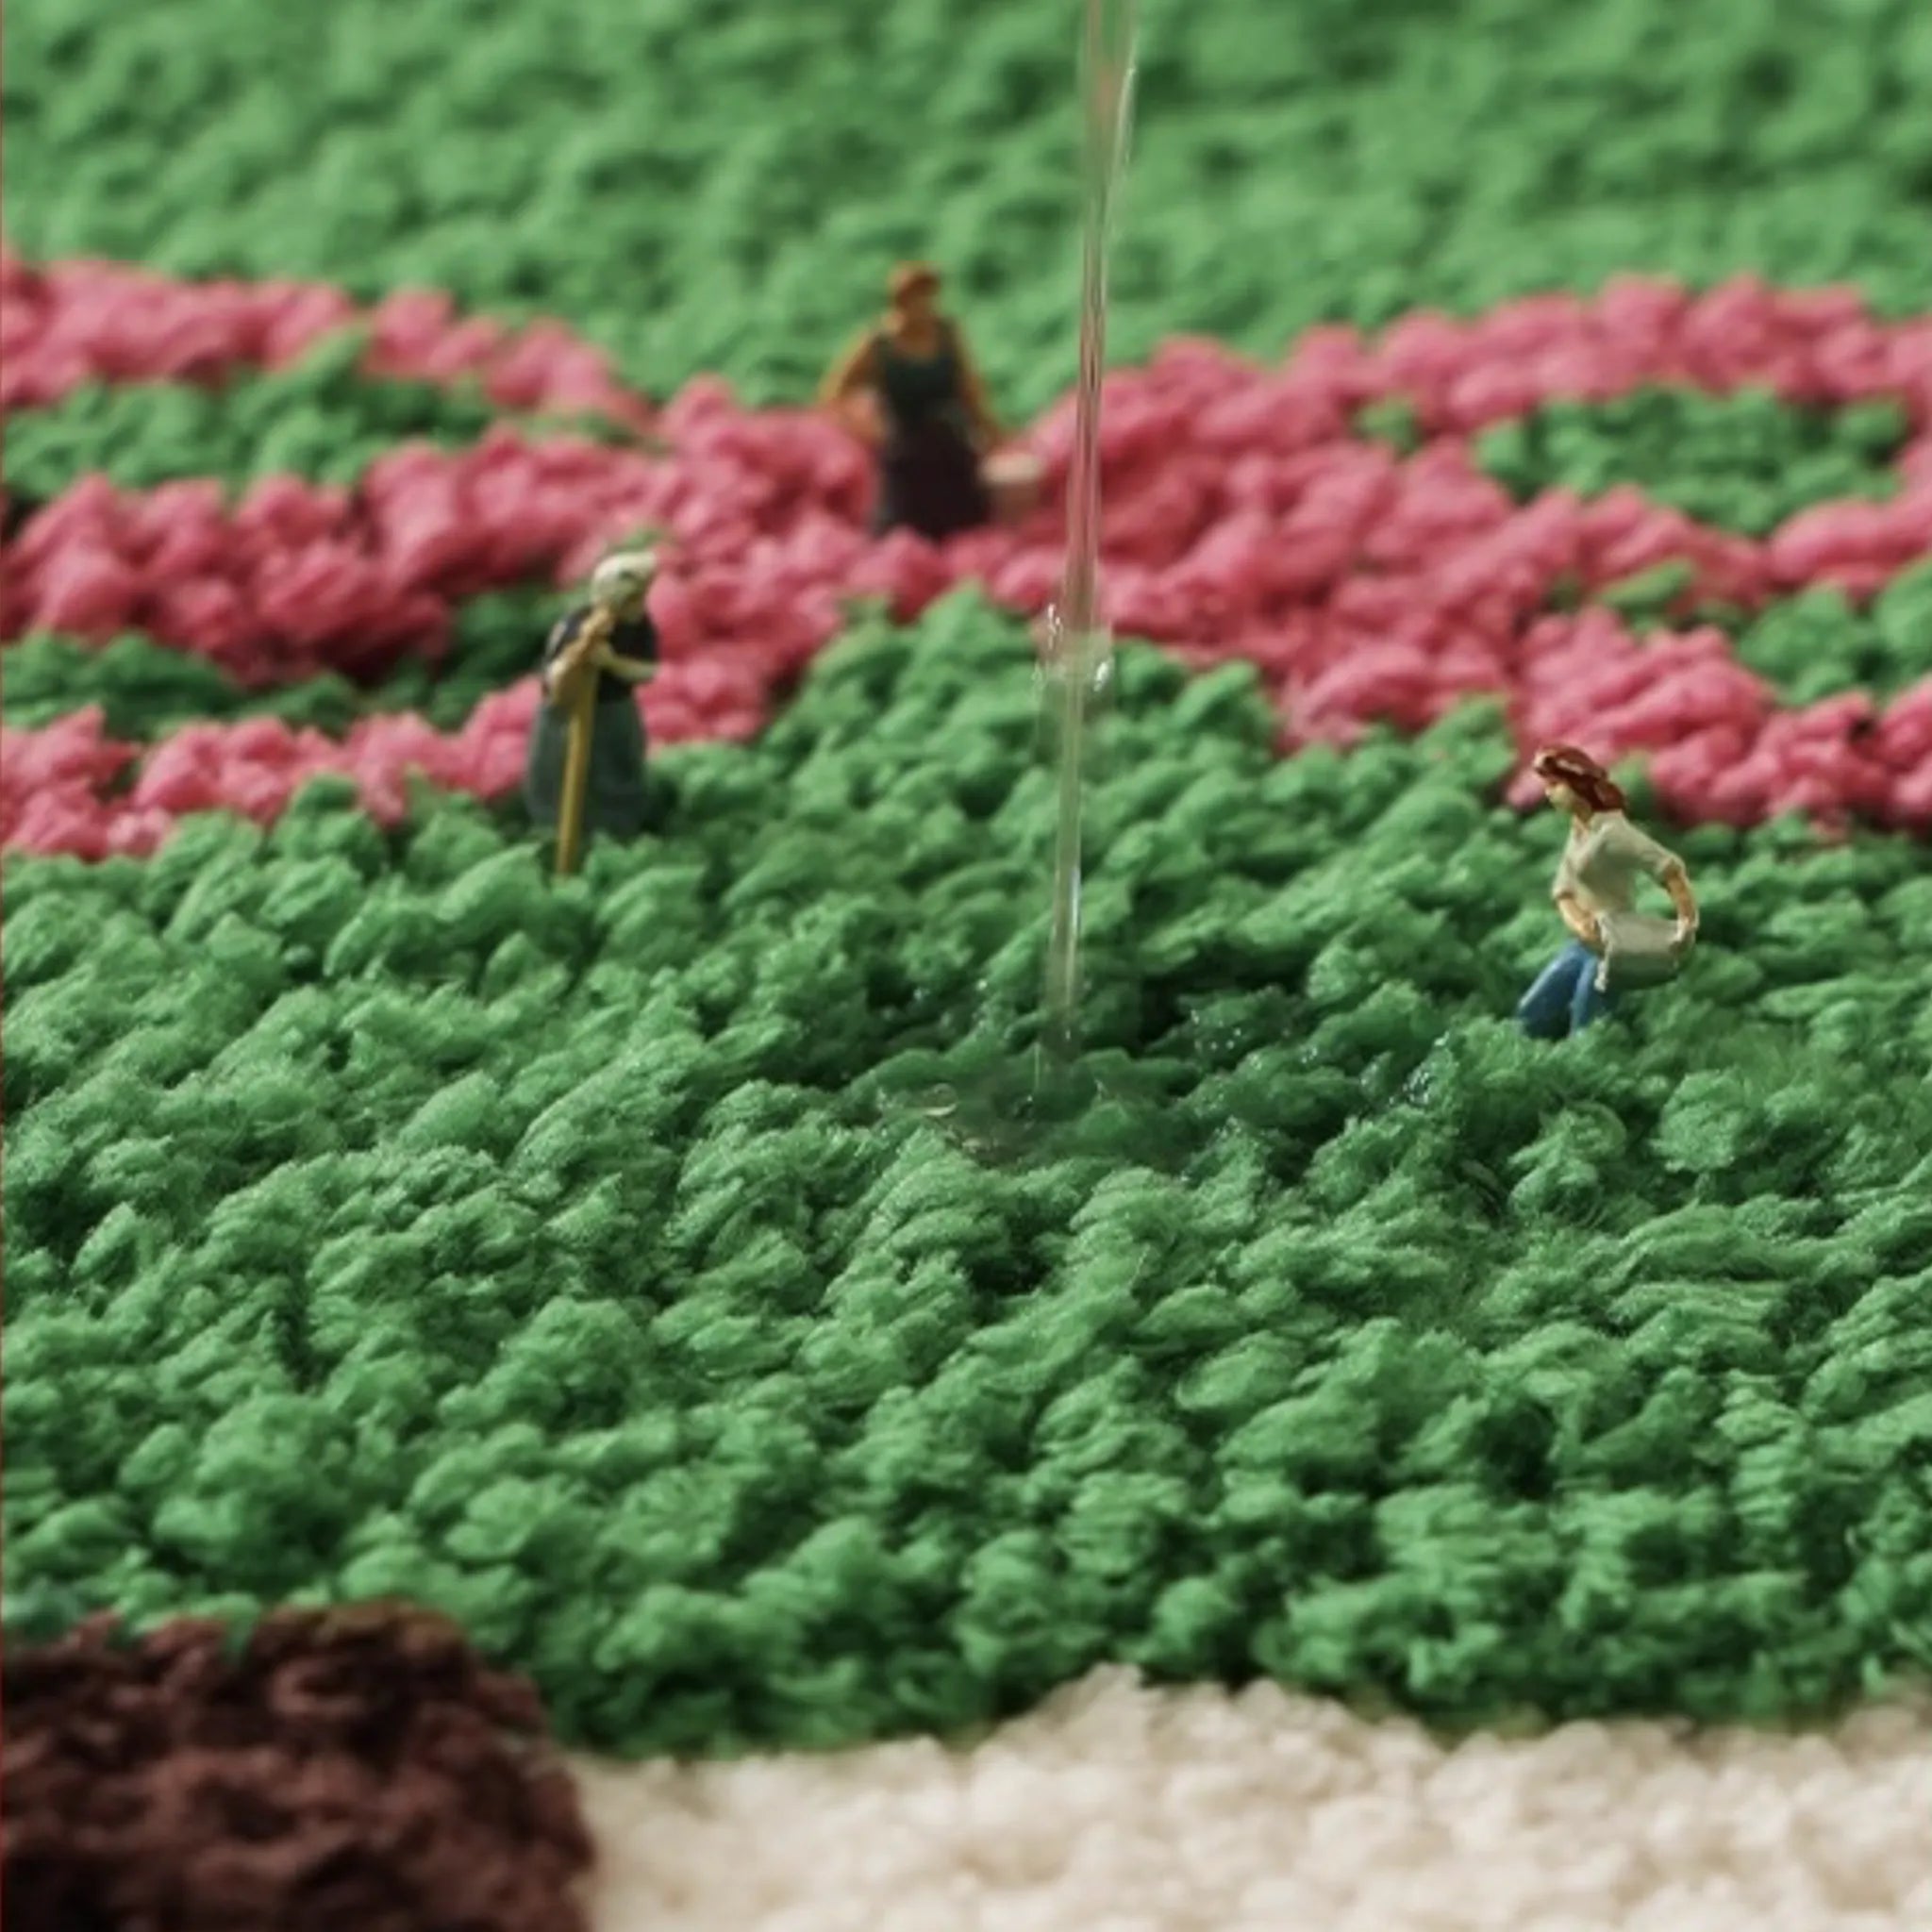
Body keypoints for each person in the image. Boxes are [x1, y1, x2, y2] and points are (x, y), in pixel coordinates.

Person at [1517, 744, 1699, 1040]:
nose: (1549, 793)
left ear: (1578, 785)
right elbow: (1563, 888)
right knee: (1532, 1011)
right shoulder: (1579, 829)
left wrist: (1686, 922)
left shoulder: (1614, 834)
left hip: (1612, 944)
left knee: (1588, 1025)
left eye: (1555, 785)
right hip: (1582, 942)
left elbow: (1669, 870)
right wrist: (1578, 922)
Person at [819, 262, 1004, 540]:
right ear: (901, 302)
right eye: (918, 300)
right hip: (905, 457)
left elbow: (969, 390)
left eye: (929, 299)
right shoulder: (879, 344)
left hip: (949, 449)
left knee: (966, 526)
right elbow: (834, 393)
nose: (926, 308)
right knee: (905, 531)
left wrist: (990, 430)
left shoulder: (946, 334)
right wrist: (866, 430)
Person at [523, 550, 662, 845]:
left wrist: (613, 663)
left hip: (615, 710)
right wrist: (575, 661)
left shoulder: (639, 626)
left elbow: (647, 672)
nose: (640, 605)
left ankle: (619, 829)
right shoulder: (574, 626)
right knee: (560, 772)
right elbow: (553, 675)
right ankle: (555, 831)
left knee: (617, 770)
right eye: (634, 599)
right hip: (567, 715)